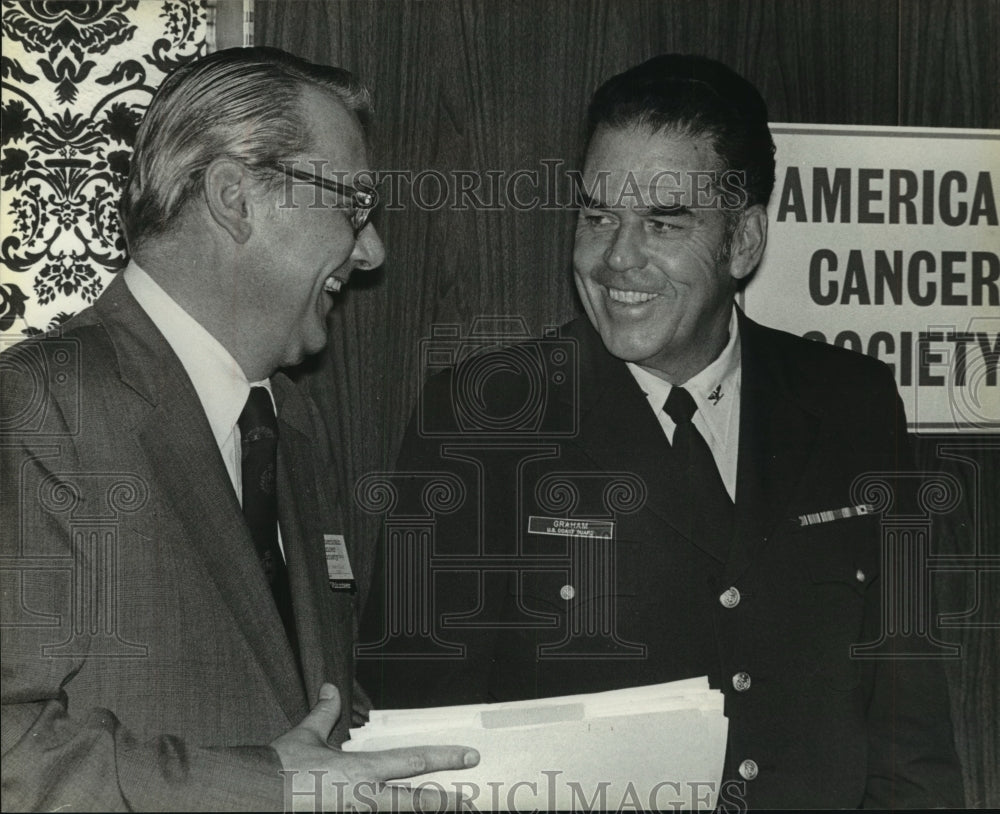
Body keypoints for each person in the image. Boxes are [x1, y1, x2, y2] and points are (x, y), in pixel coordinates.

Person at [358, 54, 964, 809]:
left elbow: (909, 737)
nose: (617, 257)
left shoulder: (851, 404)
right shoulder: (483, 420)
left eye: (664, 222)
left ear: (742, 242)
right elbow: (421, 745)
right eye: (597, 215)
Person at [0, 47, 477, 811]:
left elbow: (315, 725)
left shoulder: (291, 423)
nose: (372, 249)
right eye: (352, 205)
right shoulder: (42, 406)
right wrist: (265, 786)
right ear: (235, 198)